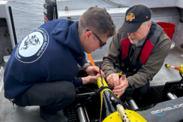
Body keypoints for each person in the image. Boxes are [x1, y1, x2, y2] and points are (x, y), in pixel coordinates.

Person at [4, 7, 115, 122]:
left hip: (12, 74)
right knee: (68, 91)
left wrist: (86, 66)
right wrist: (89, 80)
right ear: (89, 35)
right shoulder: (63, 62)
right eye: (102, 43)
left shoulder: (62, 24)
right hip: (18, 92)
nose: (101, 47)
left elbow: (75, 47)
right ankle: (48, 112)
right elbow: (71, 82)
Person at [101, 4, 171, 98]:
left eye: (134, 29)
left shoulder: (162, 43)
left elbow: (147, 73)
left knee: (142, 90)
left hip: (138, 74)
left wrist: (128, 82)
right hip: (119, 70)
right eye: (128, 28)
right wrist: (110, 74)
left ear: (148, 25)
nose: (129, 34)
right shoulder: (121, 33)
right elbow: (108, 59)